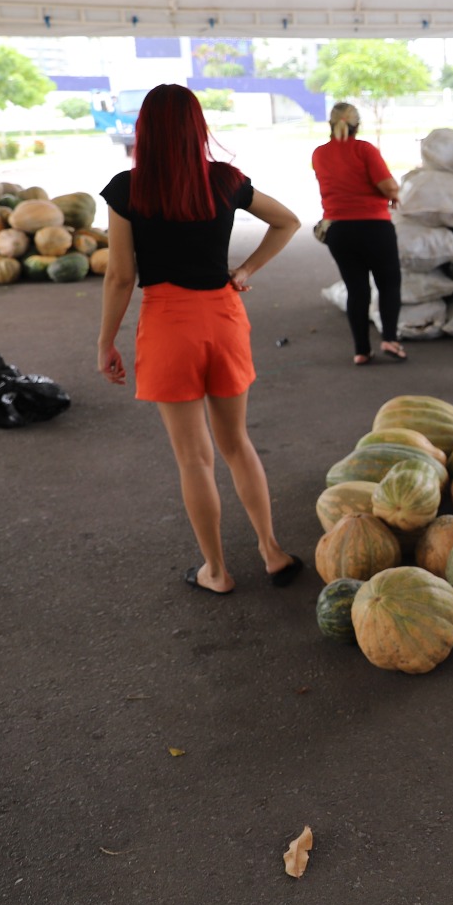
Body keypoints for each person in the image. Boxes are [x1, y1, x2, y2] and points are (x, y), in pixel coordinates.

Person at [96, 83, 303, 597]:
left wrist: (105, 342)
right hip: (223, 318)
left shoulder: (126, 189)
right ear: (197, 127)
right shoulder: (226, 180)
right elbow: (288, 221)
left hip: (168, 325)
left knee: (194, 458)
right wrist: (246, 269)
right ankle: (272, 551)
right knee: (237, 444)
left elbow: (121, 276)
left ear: (144, 130)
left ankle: (217, 570)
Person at [313, 102, 405, 365]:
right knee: (388, 284)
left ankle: (362, 351)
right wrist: (394, 194)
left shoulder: (319, 154)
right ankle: (390, 339)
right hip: (374, 227)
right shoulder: (364, 149)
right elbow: (388, 187)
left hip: (338, 231)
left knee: (356, 290)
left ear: (331, 124)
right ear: (357, 125)